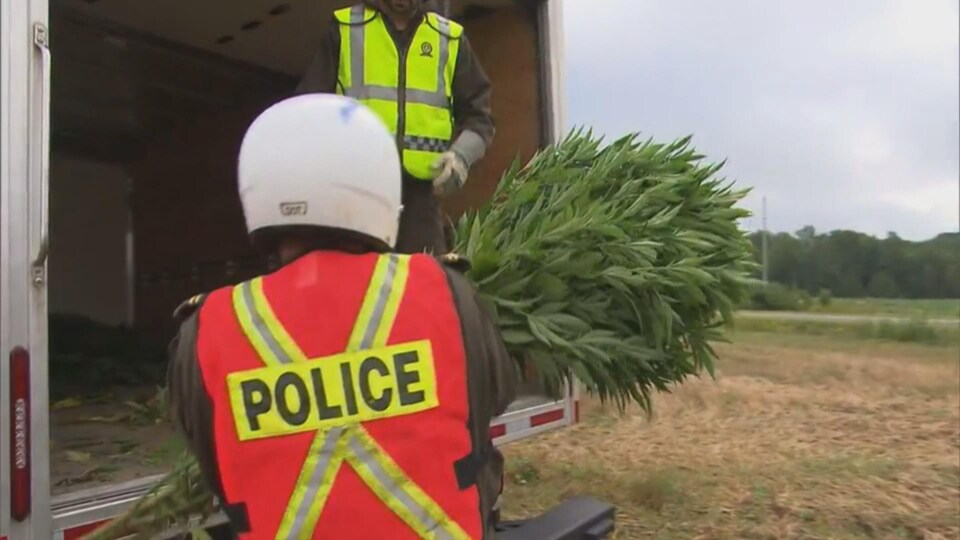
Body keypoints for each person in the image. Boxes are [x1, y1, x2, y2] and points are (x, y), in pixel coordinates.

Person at [166, 94, 517, 540]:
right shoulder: (442, 290)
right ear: (379, 188)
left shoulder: (208, 327)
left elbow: (215, 463)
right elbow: (491, 401)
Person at [295, 0, 495, 255]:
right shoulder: (345, 28)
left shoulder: (449, 38)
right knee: (360, 286)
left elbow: (480, 117)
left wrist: (462, 157)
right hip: (357, 193)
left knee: (420, 286)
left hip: (422, 200)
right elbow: (308, 110)